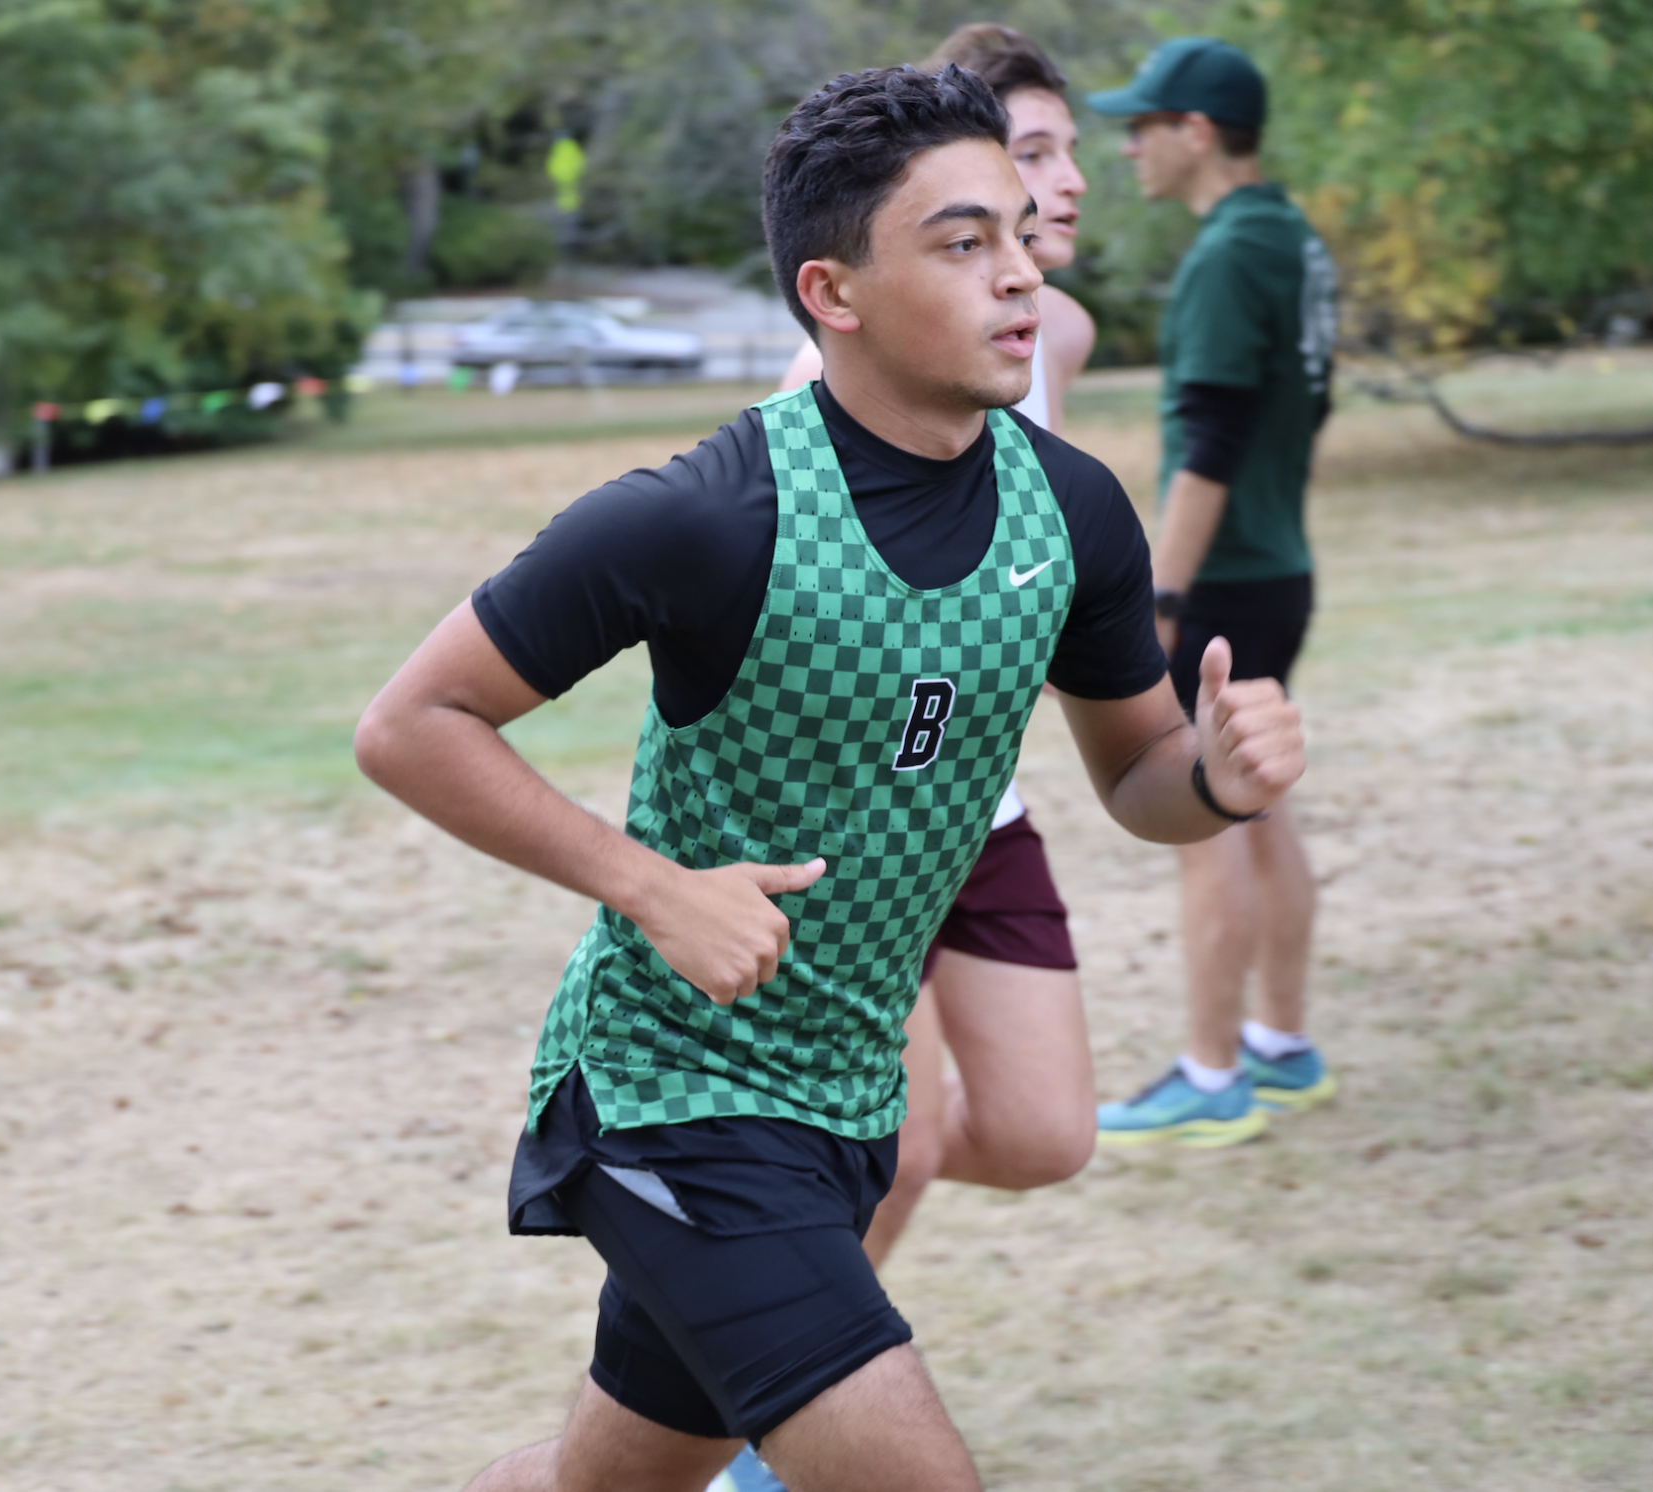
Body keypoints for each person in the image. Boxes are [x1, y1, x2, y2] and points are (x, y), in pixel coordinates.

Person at [356, 64, 1305, 1492]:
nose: (1018, 279)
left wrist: (1219, 782)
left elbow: (1139, 778)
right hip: (671, 1094)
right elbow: (413, 721)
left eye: (1017, 234)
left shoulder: (1073, 508)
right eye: (958, 242)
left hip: (847, 1111)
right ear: (833, 292)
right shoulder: (710, 515)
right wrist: (651, 887)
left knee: (600, 1483)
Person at [777, 23, 1101, 1282]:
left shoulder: (1053, 338)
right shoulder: (842, 373)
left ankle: (773, 1211)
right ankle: (763, 1417)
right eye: (1031, 158)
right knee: (892, 1146)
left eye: (1065, 160)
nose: (1059, 187)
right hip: (846, 830)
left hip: (981, 808)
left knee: (1041, 1136)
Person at [1086, 38, 1337, 1145]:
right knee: (1263, 800)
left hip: (1225, 581)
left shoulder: (1232, 252)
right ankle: (1282, 1044)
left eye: (1144, 124)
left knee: (1209, 819)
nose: (1128, 143)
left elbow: (1213, 441)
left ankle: (1212, 1070)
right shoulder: (1292, 236)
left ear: (1197, 133)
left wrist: (1162, 595)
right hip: (1279, 563)